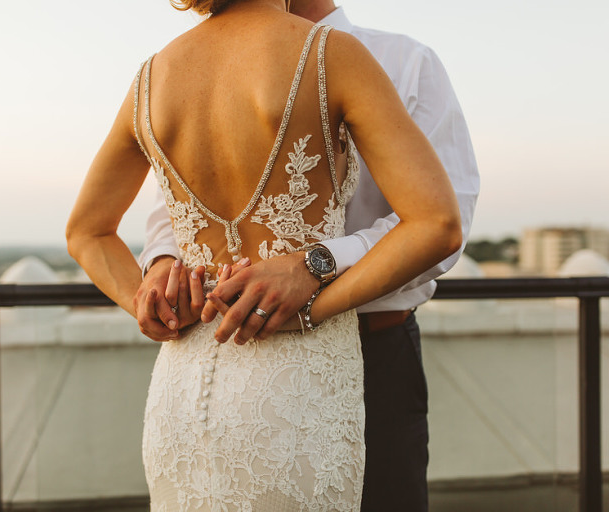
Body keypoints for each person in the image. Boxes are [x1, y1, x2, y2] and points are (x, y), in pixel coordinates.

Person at [67, 0, 462, 509]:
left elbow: (86, 232)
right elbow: (440, 224)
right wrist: (312, 307)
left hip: (184, 382)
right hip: (298, 383)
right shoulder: (330, 54)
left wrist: (145, 300)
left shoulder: (151, 76)